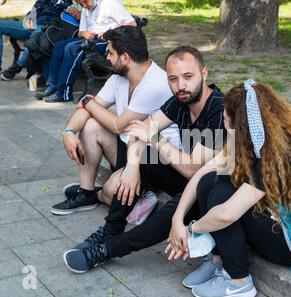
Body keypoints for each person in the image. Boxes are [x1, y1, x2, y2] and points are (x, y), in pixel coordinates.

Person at [165, 79, 291, 297]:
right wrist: (176, 219)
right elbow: (202, 174)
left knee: (222, 198)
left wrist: (190, 230)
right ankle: (218, 261)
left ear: (242, 124)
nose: (224, 123)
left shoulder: (274, 157)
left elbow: (227, 214)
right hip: (280, 219)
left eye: (227, 120)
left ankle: (239, 282)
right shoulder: (258, 139)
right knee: (211, 180)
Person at [62, 46, 227, 274]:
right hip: (193, 181)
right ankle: (111, 230)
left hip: (216, 194)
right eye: (173, 79)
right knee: (140, 160)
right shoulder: (180, 101)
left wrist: (155, 139)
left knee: (172, 209)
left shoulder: (219, 109)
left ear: (204, 73)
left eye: (188, 77)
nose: (180, 85)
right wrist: (131, 167)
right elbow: (140, 131)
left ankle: (108, 250)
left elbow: (191, 168)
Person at [52, 25, 181, 215]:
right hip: (131, 147)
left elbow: (118, 125)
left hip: (156, 159)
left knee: (111, 192)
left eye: (110, 53)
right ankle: (87, 193)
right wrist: (68, 131)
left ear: (125, 58)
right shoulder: (120, 76)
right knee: (91, 125)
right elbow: (90, 109)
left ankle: (118, 193)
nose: (107, 58)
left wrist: (88, 100)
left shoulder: (155, 84)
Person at [39, 0, 136, 102]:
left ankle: (63, 93)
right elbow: (80, 32)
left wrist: (110, 32)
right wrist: (84, 33)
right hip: (88, 39)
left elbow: (132, 24)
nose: (85, 6)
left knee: (72, 49)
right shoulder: (85, 8)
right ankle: (52, 86)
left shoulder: (110, 3)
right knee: (59, 47)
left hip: (106, 41)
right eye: (81, 4)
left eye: (85, 2)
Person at [0, 0, 72, 81]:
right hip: (31, 25)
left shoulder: (70, 2)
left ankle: (16, 67)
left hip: (48, 28)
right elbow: (35, 9)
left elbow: (66, 18)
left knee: (35, 36)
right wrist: (29, 17)